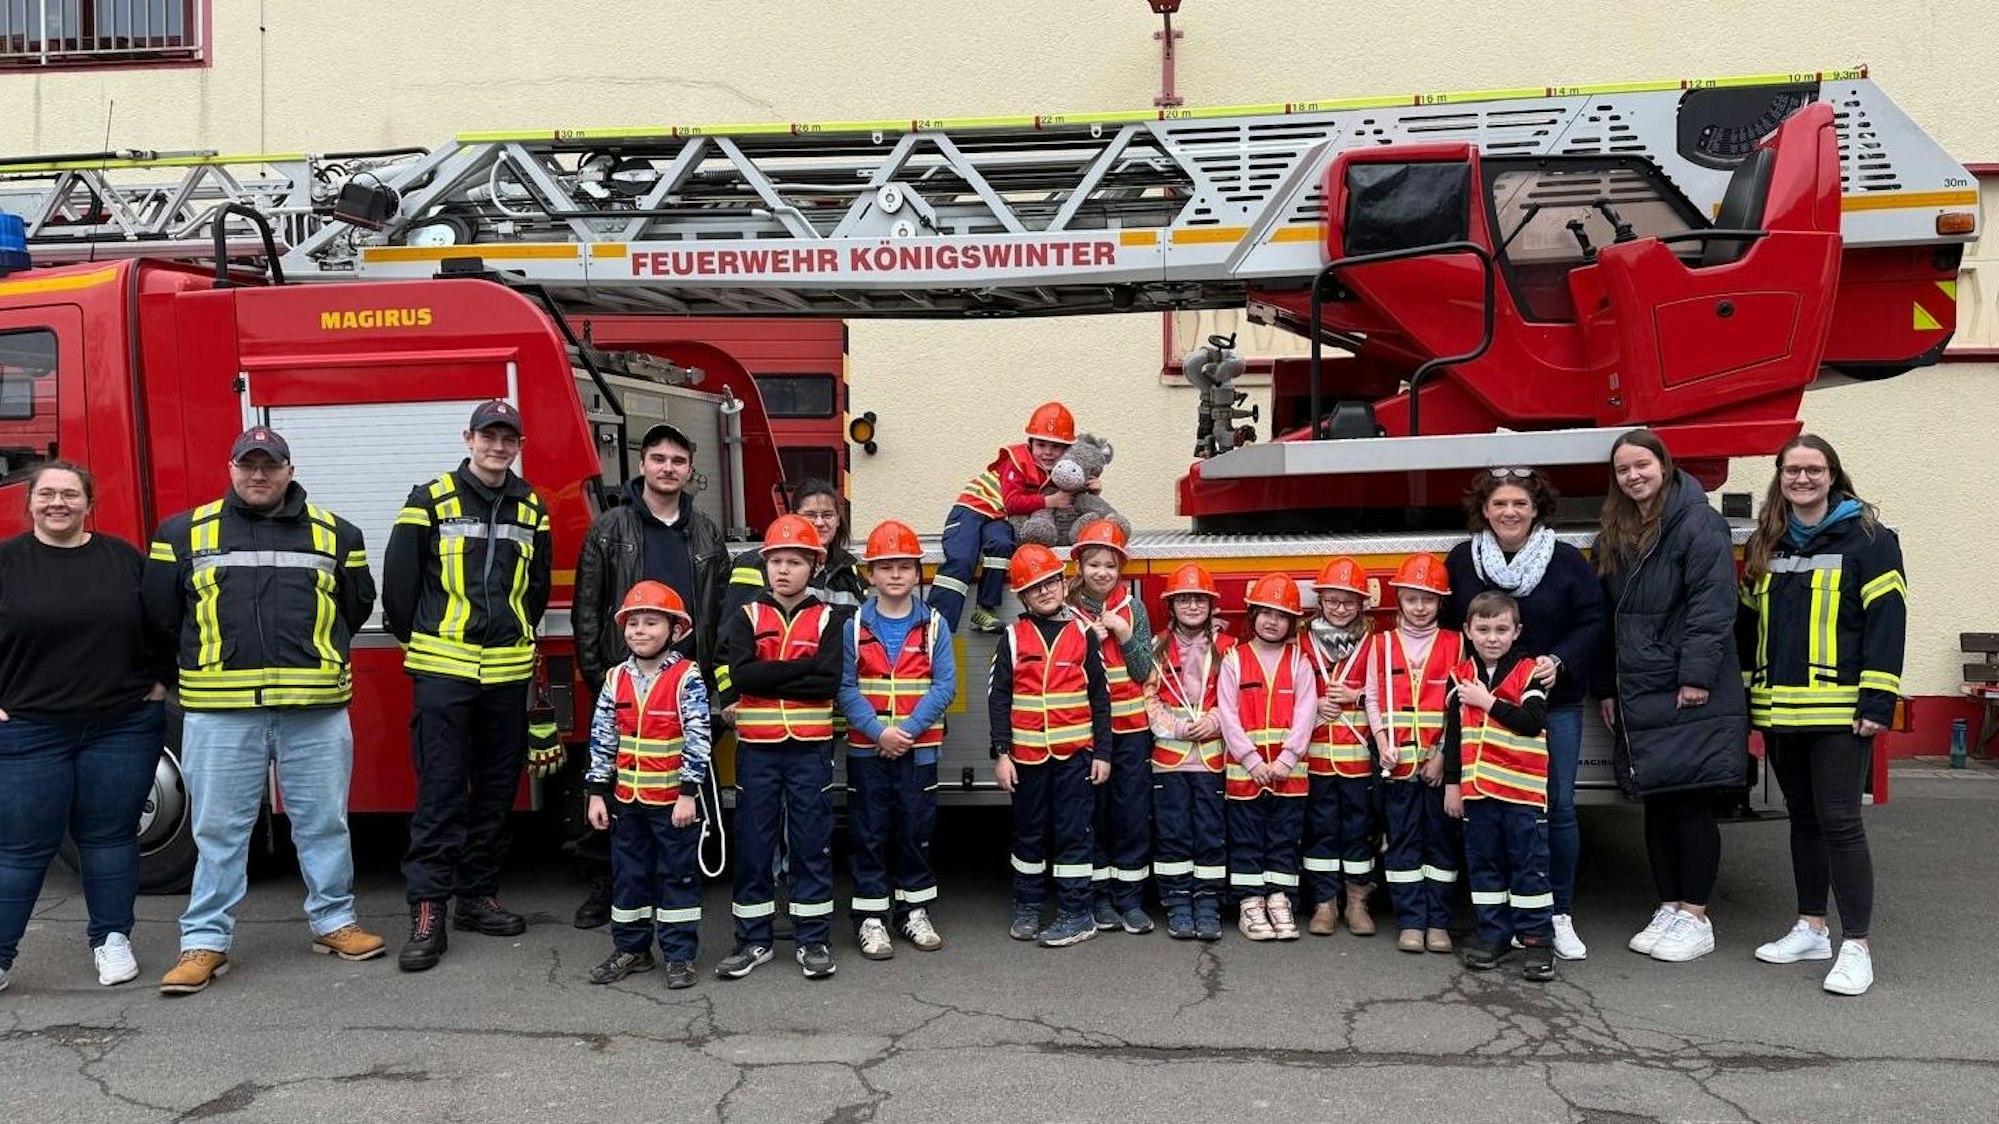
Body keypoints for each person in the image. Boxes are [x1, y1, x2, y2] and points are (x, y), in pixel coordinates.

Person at [144, 429, 382, 995]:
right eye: (247, 465)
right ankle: (204, 942)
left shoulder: (337, 533)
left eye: (269, 465)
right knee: (219, 831)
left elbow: (357, 603)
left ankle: (334, 922)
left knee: (324, 824)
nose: (258, 475)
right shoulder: (182, 532)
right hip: (222, 712)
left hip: (314, 709)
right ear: (230, 468)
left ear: (288, 469)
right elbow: (157, 615)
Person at [385, 399, 552, 972]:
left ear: (518, 444)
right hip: (445, 671)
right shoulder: (429, 499)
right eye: (489, 436)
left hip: (505, 675)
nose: (498, 447)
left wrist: (516, 636)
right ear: (469, 438)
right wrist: (426, 645)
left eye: (508, 438)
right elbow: (400, 588)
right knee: (441, 792)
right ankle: (428, 909)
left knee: (497, 791)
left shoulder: (532, 507)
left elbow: (534, 589)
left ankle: (476, 896)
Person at [1739, 435, 1904, 997]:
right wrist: (1746, 699)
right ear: (1780, 477)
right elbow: (1747, 627)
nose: (1802, 479)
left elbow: (1887, 622)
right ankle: (1811, 927)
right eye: (1792, 470)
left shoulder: (1871, 540)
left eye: (1814, 469)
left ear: (1833, 475)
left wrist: (1878, 700)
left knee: (1840, 823)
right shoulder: (1769, 539)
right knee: (1803, 821)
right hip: (1780, 709)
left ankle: (1857, 945)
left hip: (1840, 711)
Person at [0, 463, 172, 993]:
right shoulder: (6, 561)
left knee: (109, 837)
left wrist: (161, 682)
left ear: (88, 503)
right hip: (29, 728)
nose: (58, 503)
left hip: (121, 727)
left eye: (69, 494)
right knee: (23, 845)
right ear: (29, 503)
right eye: (47, 494)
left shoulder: (122, 558)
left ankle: (111, 939)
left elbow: (164, 622)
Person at [1590, 429, 1747, 965]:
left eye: (1642, 465)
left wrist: (1697, 676)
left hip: (1683, 681)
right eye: (1623, 470)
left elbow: (1712, 603)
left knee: (1691, 800)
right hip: (1638, 683)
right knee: (1658, 802)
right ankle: (1670, 906)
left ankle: (1696, 916)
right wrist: (1607, 685)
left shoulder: (1699, 522)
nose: (1633, 476)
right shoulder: (1616, 528)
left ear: (1664, 465)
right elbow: (1608, 618)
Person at [571, 421, 728, 930]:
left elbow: (720, 612)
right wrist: (601, 678)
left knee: (678, 790)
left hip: (684, 685)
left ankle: (675, 890)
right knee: (615, 788)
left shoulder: (705, 531)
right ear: (642, 465)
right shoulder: (610, 528)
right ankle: (607, 886)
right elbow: (587, 608)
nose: (668, 468)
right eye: (658, 458)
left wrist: (711, 687)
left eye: (678, 461)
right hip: (625, 683)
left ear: (689, 471)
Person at [1443, 468, 1604, 961]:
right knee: (1487, 814)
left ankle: (1557, 915)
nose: (1509, 512)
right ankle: (1498, 924)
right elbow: (1451, 626)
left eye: (1519, 504)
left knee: (1554, 809)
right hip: (1481, 704)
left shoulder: (1563, 560)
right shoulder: (1463, 560)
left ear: (1536, 509)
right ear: (1484, 511)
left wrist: (1559, 661)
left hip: (1549, 705)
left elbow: (1593, 620)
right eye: (1499, 504)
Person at [713, 514, 846, 981]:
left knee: (812, 842)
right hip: (758, 747)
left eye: (795, 561)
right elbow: (742, 674)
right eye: (776, 561)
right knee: (755, 842)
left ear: (815, 566)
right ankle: (753, 940)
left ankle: (814, 940)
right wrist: (800, 668)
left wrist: (771, 677)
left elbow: (827, 681)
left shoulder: (831, 617)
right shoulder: (748, 615)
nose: (783, 570)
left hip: (810, 747)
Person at [582, 581, 711, 991]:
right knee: (629, 877)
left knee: (677, 877)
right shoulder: (615, 677)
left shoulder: (687, 676)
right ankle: (632, 950)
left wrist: (689, 793)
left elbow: (698, 736)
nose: (639, 630)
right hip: (627, 803)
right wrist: (597, 792)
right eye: (632, 623)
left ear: (675, 630)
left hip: (672, 803)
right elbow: (602, 737)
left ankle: (679, 955)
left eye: (651, 622)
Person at [836, 520, 955, 960]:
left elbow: (945, 686)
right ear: (871, 574)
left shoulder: (934, 625)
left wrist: (904, 733)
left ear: (917, 574)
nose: (896, 575)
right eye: (886, 567)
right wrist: (878, 732)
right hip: (868, 750)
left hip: (917, 750)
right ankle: (871, 918)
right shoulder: (851, 626)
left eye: (905, 566)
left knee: (914, 831)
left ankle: (914, 910)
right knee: (868, 832)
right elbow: (845, 687)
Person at [992, 543, 1112, 948]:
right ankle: (1027, 905)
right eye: (1034, 587)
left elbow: (1101, 698)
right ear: (1021, 595)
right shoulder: (1011, 636)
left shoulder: (1082, 634)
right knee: (1028, 833)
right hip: (1025, 758)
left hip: (1075, 756)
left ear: (1064, 583)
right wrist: (1001, 754)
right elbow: (999, 698)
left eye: (1050, 583)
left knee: (1073, 833)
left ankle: (1077, 913)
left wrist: (1104, 753)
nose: (1044, 592)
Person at [1442, 591, 1556, 981]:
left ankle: (1538, 942)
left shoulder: (1528, 672)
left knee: (1529, 868)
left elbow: (1532, 721)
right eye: (1484, 629)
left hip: (1521, 793)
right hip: (1478, 794)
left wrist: (1486, 702)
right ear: (1468, 631)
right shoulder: (1459, 678)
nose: (1493, 637)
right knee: (1485, 867)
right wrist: (1452, 785)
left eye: (1502, 629)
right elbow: (1454, 735)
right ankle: (1494, 935)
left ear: (1516, 631)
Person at [1364, 553, 1461, 955]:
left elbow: (1459, 707)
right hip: (1397, 763)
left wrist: (1442, 756)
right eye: (1412, 598)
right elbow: (1372, 697)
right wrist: (1384, 743)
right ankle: (1410, 921)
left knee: (1440, 844)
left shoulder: (1456, 643)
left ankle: (1438, 921)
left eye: (1429, 599)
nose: (1420, 607)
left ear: (1441, 602)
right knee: (1402, 841)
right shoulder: (1380, 643)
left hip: (1437, 766)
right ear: (1399, 599)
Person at [1217, 574, 1317, 942]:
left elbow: (1307, 713)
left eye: (1281, 615)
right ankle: (1250, 902)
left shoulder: (1298, 661)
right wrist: (1252, 761)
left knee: (1283, 838)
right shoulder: (1234, 659)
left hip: (1287, 773)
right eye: (1265, 613)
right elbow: (1227, 715)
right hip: (1248, 773)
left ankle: (1279, 899)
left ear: (1292, 621)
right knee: (1245, 838)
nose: (1272, 621)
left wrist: (1286, 759)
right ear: (1253, 614)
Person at [1067, 520, 1156, 934]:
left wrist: (1122, 634)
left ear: (1121, 569)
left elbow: (1142, 671)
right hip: (1088, 733)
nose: (1102, 572)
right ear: (1080, 567)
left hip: (1131, 730)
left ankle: (1130, 899)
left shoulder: (1133, 609)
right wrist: (1088, 638)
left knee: (1131, 812)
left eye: (1110, 565)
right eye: (1094, 564)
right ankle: (1100, 897)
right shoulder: (1067, 610)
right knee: (1094, 815)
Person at [928, 401, 1076, 634]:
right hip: (971, 511)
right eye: (1041, 444)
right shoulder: (1016, 462)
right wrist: (1049, 502)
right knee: (962, 559)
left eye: (1056, 447)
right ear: (1030, 443)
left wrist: (1093, 487)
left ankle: (984, 611)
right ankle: (936, 626)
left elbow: (1074, 488)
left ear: (1067, 450)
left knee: (1002, 545)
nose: (1048, 452)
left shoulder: (1054, 471)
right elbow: (1012, 502)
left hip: (997, 518)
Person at [1144, 563, 1232, 942]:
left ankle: (1208, 902)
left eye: (1200, 598)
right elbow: (1148, 698)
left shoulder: (1228, 648)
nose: (1192, 605)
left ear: (1212, 604)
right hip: (1169, 759)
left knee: (1211, 833)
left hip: (1212, 759)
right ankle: (1178, 902)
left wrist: (1214, 721)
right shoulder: (1156, 646)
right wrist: (1175, 726)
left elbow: (1237, 698)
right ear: (1172, 605)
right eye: (1184, 598)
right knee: (1173, 833)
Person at [1299, 557, 1378, 937]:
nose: (1340, 608)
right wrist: (1315, 702)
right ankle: (1324, 903)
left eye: (1348, 602)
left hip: (1359, 758)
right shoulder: (1301, 641)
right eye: (1332, 601)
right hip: (1315, 757)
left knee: (1359, 830)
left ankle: (1357, 901)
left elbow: (1389, 694)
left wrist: (1358, 695)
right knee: (1321, 830)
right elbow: (1288, 688)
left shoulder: (1376, 643)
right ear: (1320, 602)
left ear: (1362, 603)